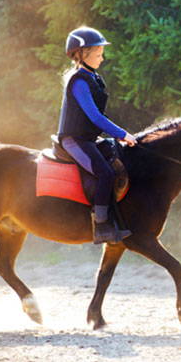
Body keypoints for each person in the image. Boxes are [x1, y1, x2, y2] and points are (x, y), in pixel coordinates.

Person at [58, 26, 137, 244]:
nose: (102, 58)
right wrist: (123, 134)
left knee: (117, 160)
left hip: (89, 139)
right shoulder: (79, 82)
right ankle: (101, 226)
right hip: (74, 140)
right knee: (106, 174)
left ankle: (118, 218)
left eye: (102, 54)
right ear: (82, 54)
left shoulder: (93, 77)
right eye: (98, 54)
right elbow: (95, 118)